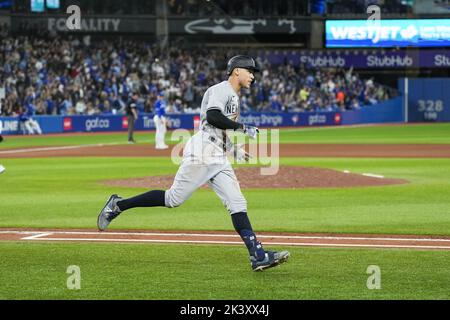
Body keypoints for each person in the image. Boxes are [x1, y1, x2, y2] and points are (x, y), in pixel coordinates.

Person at [97, 55, 290, 272]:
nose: (253, 76)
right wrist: (243, 129)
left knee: (237, 204)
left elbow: (220, 129)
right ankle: (118, 205)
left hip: (218, 155)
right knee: (173, 199)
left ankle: (258, 256)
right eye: (250, 71)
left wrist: (233, 149)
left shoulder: (234, 96)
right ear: (236, 71)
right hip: (204, 150)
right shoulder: (222, 89)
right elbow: (213, 117)